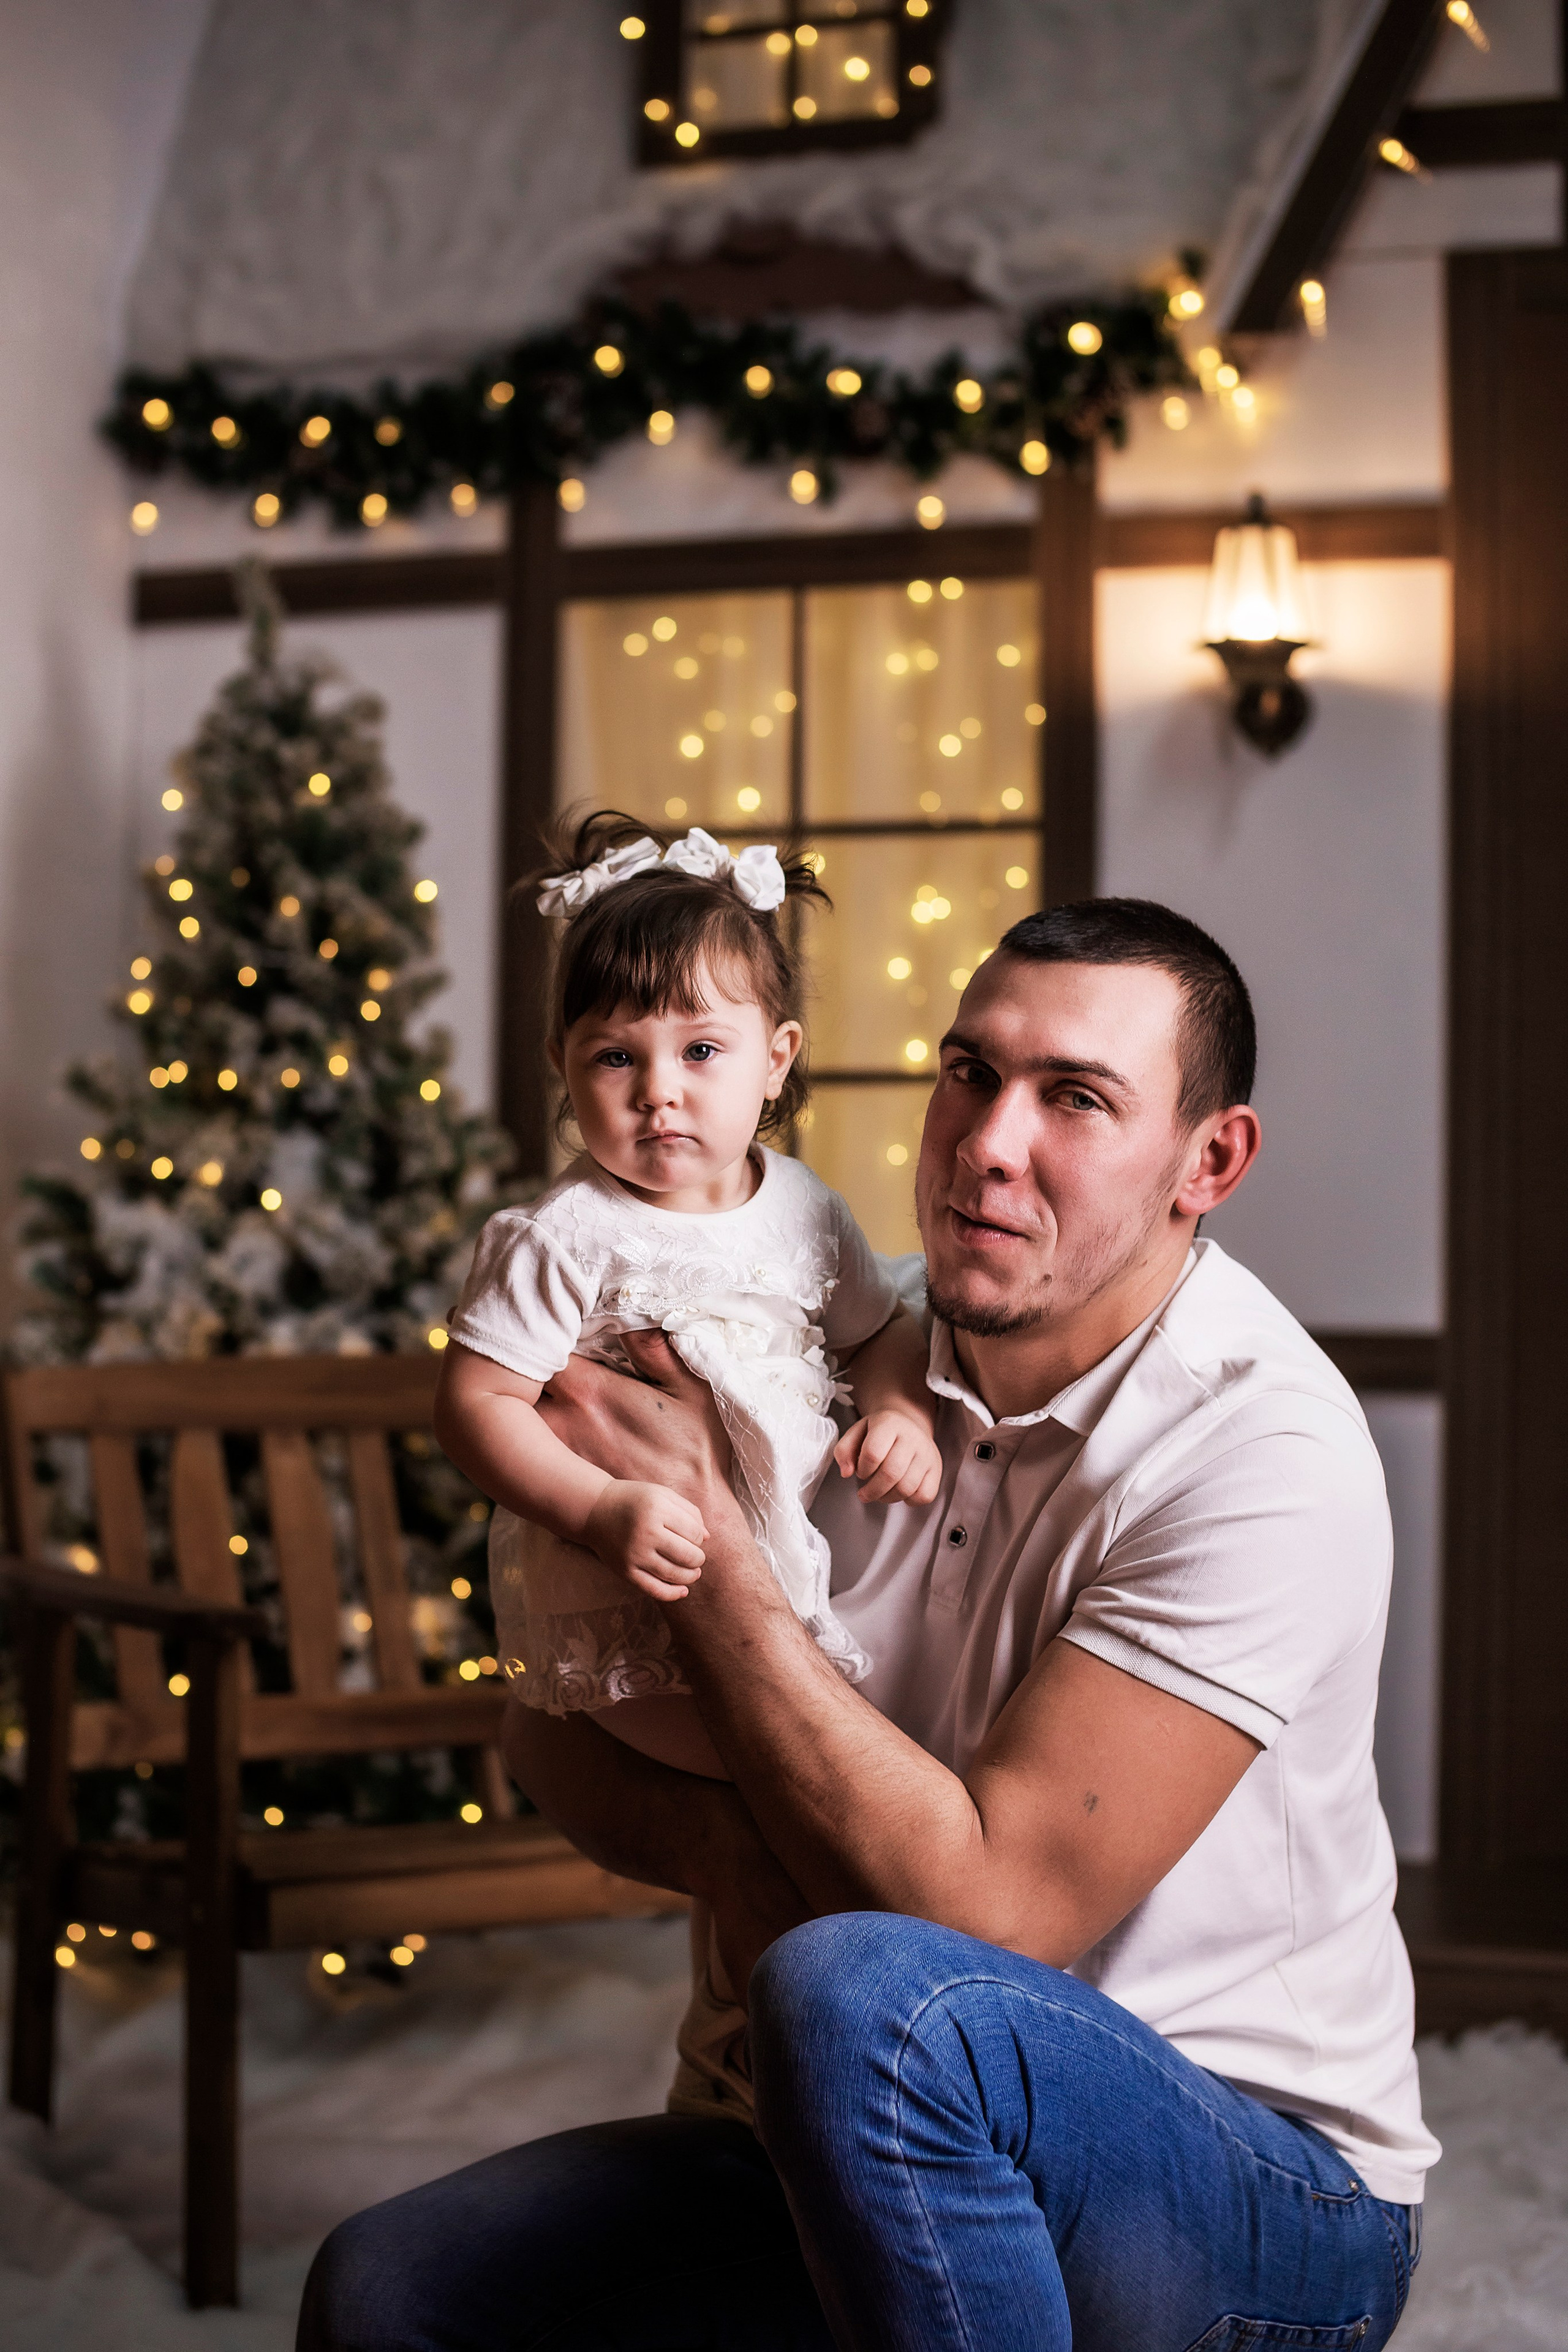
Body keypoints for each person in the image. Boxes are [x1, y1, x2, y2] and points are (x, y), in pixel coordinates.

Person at [300, 897, 1438, 2352]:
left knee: (868, 1988)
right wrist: (737, 1852)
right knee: (387, 2294)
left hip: (1251, 2175)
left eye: (1074, 1098)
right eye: (969, 1071)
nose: (987, 1141)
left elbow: (990, 1919)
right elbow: (547, 1735)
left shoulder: (1260, 1449)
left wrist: (715, 1556)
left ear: (1204, 1162)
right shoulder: (817, 1342)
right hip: (824, 2125)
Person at [434, 811, 940, 1779]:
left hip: (789, 1571)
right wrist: (597, 1508)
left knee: (809, 1787)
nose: (659, 1090)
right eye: (617, 1057)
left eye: (701, 1052)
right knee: (773, 1792)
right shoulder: (564, 1235)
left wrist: (900, 1411)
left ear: (777, 1057)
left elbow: (881, 1331)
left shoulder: (806, 1209)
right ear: (563, 1064)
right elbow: (474, 1407)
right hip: (634, 1595)